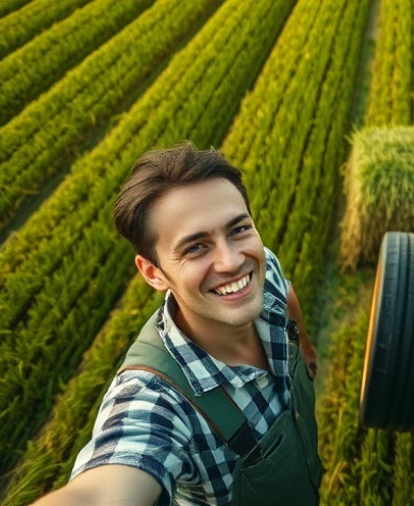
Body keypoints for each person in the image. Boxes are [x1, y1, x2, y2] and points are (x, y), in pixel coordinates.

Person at [34, 142, 322, 505]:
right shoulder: (157, 401)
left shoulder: (262, 267)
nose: (232, 261)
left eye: (238, 229)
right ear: (153, 273)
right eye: (196, 247)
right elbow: (98, 492)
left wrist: (307, 352)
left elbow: (286, 292)